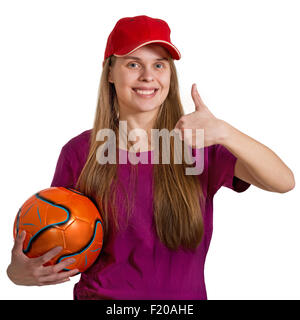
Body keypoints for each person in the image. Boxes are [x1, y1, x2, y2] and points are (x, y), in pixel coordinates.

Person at [7, 15, 295, 299]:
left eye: (159, 64)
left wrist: (226, 133)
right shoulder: (79, 152)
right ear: (110, 72)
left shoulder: (198, 144)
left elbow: (284, 181)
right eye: (133, 64)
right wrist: (17, 273)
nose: (148, 76)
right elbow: (57, 240)